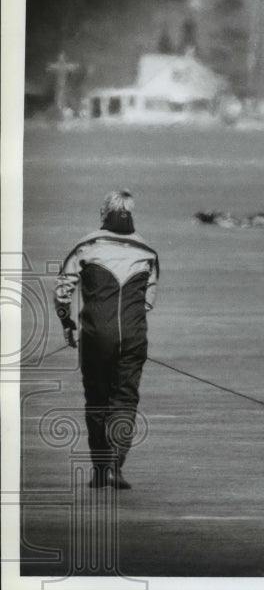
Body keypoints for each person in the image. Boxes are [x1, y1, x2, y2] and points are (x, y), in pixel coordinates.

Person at [53, 189, 160, 489]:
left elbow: (63, 289)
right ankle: (116, 466)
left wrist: (67, 322)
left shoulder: (86, 247)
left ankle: (101, 468)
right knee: (125, 399)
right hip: (134, 335)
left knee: (97, 400)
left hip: (96, 335)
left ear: (103, 213)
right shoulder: (148, 252)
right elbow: (148, 299)